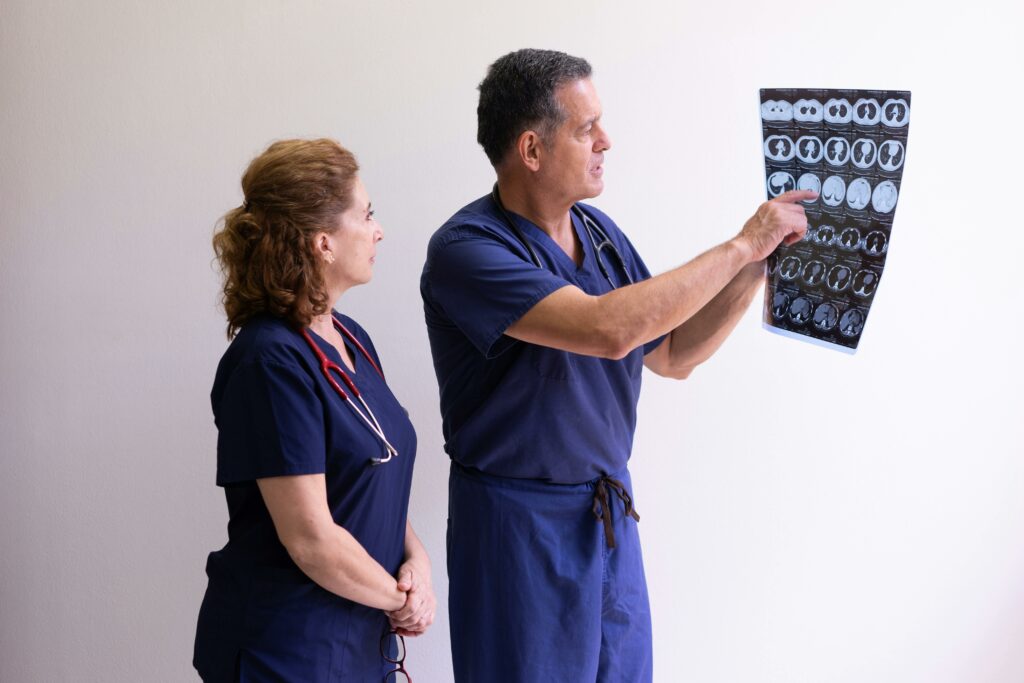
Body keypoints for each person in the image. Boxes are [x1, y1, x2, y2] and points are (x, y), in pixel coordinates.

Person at [420, 49, 814, 682]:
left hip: (606, 521)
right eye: (586, 127)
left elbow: (673, 353)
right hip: (517, 530)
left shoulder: (599, 234)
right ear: (531, 149)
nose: (607, 140)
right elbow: (610, 329)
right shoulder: (468, 251)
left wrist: (756, 268)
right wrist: (741, 241)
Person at [194, 138, 434, 682]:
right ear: (322, 242)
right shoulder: (269, 363)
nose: (378, 231)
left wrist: (415, 562)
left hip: (356, 638)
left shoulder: (353, 339)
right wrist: (399, 599)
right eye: (366, 214)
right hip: (287, 648)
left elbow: (378, 471)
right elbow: (310, 538)